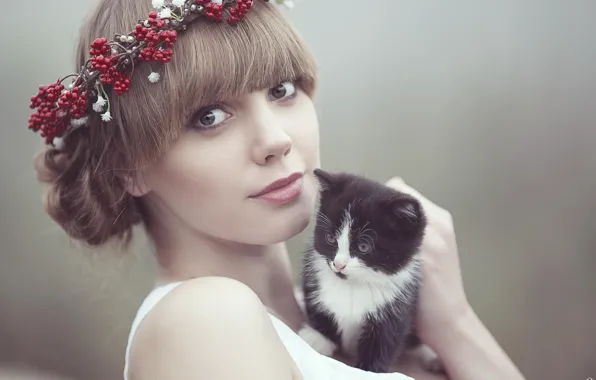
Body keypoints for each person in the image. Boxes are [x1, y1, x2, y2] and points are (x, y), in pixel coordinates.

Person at [30, 0, 526, 379]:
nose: (276, 140)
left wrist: (452, 323)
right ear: (128, 169)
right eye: (209, 117)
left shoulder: (332, 314)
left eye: (282, 90)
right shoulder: (205, 321)